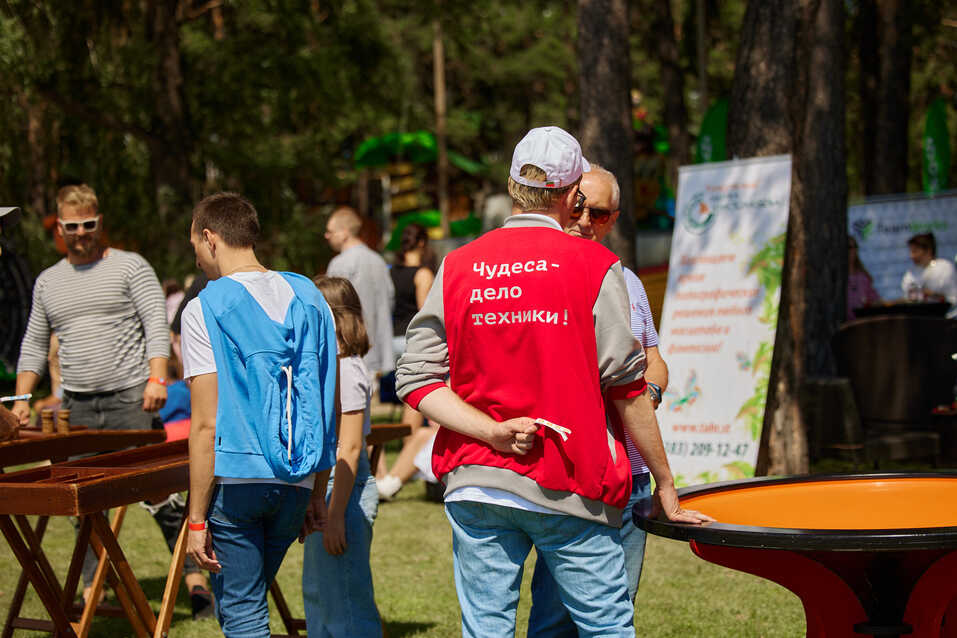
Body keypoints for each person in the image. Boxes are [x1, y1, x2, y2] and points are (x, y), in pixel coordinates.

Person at [395, 126, 712, 637]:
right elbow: (628, 387)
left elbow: (415, 377)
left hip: (476, 482)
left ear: (512, 185)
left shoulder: (457, 266)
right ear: (571, 194)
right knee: (606, 626)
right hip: (569, 480)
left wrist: (490, 432)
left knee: (486, 630)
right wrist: (667, 484)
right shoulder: (596, 266)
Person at [11, 184, 212, 614]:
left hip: (131, 399)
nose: (81, 232)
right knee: (77, 501)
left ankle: (195, 578)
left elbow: (156, 325)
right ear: (60, 228)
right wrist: (21, 397)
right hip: (78, 405)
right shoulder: (48, 281)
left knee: (157, 494)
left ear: (100, 223)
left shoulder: (130, 267)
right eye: (72, 226)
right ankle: (93, 588)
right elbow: (33, 343)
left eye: (88, 224)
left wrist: (158, 379)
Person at [181, 192, 338, 637]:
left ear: (210, 238)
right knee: (242, 604)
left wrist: (195, 521)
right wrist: (315, 491)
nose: (196, 259)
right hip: (296, 481)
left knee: (244, 612)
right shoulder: (311, 296)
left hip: (237, 482)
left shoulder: (203, 308)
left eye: (194, 245)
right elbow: (329, 400)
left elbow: (206, 422)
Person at [527, 164, 671, 634]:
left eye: (602, 213)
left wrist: (647, 391)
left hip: (630, 475)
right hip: (571, 473)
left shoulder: (626, 281)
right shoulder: (538, 276)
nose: (587, 220)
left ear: (616, 218)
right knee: (554, 615)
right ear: (564, 202)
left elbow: (654, 360)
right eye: (581, 207)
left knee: (617, 608)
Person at [302, 276, 382, 637]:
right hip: (329, 491)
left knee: (346, 601)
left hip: (343, 493)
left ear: (332, 317)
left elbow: (349, 448)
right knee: (321, 595)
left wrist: (335, 517)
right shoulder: (330, 366)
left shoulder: (347, 371)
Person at [378, 223, 438, 500]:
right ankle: (412, 453)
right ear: (423, 243)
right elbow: (425, 310)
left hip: (393, 339)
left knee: (407, 399)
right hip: (413, 340)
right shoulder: (423, 273)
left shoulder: (392, 272)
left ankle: (408, 452)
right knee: (419, 396)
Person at [325, 207, 395, 378]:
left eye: (330, 231)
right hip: (377, 348)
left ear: (344, 232)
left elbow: (331, 308)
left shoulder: (339, 264)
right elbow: (391, 298)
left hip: (350, 350)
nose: (326, 236)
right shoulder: (379, 260)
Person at [901, 233, 957, 312]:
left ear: (928, 250)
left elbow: (953, 298)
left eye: (915, 251)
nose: (911, 256)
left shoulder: (945, 267)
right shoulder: (910, 273)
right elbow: (907, 298)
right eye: (910, 251)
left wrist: (933, 295)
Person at [847, 236, 881, 320]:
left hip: (860, 324)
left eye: (853, 247)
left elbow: (875, 301)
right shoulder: (834, 279)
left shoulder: (863, 277)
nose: (851, 251)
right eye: (848, 247)